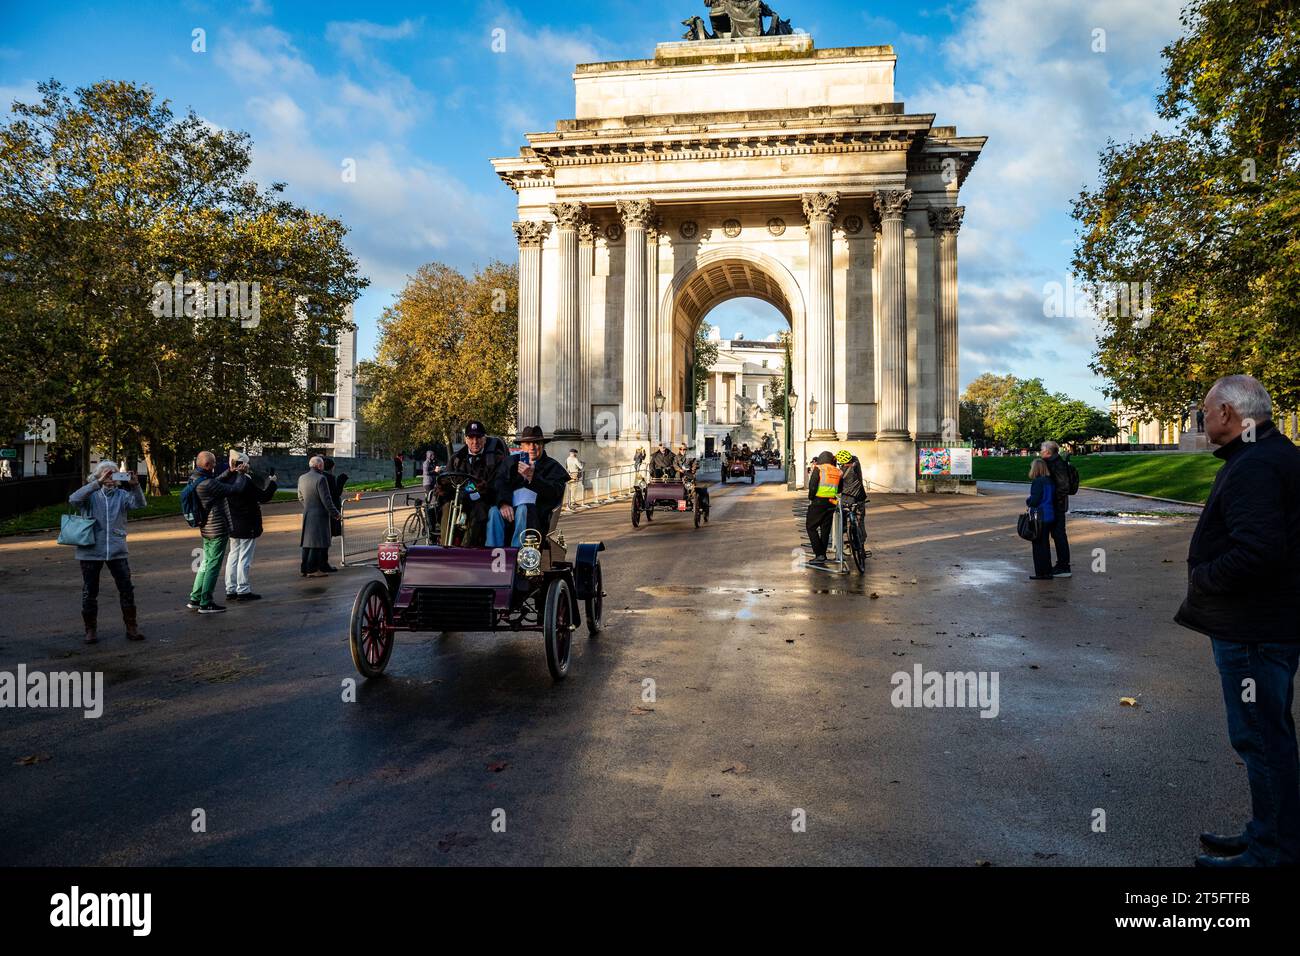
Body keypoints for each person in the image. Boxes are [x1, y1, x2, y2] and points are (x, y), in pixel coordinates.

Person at [1174, 375, 1300, 868]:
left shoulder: (1257, 464)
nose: (1202, 421)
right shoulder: (1271, 454)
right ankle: (1267, 833)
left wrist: (1204, 576)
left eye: (1205, 412)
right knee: (1268, 735)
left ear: (1228, 412)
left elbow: (1259, 552)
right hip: (1267, 623)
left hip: (1253, 628)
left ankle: (1272, 851)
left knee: (1261, 739)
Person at [69, 461, 147, 643]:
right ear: (98, 476)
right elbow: (73, 499)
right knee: (90, 591)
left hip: (116, 549)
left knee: (126, 588)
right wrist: (97, 483)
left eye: (113, 474)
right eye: (106, 474)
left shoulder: (122, 495)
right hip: (90, 549)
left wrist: (135, 486)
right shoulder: (90, 494)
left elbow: (140, 504)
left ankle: (131, 627)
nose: (110, 478)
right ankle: (90, 630)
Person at [187, 451, 249, 613]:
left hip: (206, 527)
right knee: (213, 566)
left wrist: (231, 470)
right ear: (207, 465)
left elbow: (216, 482)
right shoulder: (208, 484)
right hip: (217, 528)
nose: (215, 465)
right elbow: (236, 489)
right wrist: (241, 474)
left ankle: (195, 598)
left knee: (206, 563)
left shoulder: (195, 478)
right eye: (213, 463)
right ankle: (206, 602)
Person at [489, 425, 569, 548]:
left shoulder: (552, 466)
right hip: (509, 512)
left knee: (523, 510)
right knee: (494, 511)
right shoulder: (510, 462)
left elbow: (555, 492)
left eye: (536, 443)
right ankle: (492, 553)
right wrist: (503, 503)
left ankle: (519, 554)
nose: (532, 447)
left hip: (536, 518)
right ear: (522, 446)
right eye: (527, 443)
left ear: (542, 445)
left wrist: (533, 478)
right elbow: (499, 483)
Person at [436, 421, 505, 546]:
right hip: (459, 500)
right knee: (447, 506)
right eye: (471, 437)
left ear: (484, 439)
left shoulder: (494, 459)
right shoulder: (456, 459)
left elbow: (498, 485)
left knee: (478, 510)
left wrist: (485, 489)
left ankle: (465, 549)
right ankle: (445, 547)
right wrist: (441, 489)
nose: (475, 442)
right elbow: (445, 480)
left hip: (482, 501)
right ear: (466, 439)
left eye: (478, 437)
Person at [223, 452, 277, 602]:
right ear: (243, 465)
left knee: (233, 556)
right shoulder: (245, 481)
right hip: (248, 523)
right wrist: (272, 482)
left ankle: (231, 588)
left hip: (233, 523)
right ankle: (243, 589)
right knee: (244, 558)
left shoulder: (227, 479)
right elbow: (263, 496)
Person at [298, 455, 338, 578]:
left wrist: (308, 506)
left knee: (307, 542)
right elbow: (326, 500)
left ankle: (304, 568)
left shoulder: (302, 478)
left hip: (308, 512)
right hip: (320, 514)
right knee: (317, 542)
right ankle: (312, 569)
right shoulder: (321, 479)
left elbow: (300, 496)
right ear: (320, 465)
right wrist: (335, 513)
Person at [1039, 440, 1073, 576]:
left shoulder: (1057, 464)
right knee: (1057, 535)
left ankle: (1064, 566)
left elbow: (1063, 487)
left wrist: (1052, 501)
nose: (1040, 451)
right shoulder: (1053, 463)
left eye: (1042, 449)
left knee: (1059, 535)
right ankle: (1061, 565)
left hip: (1056, 506)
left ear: (1048, 451)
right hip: (1054, 505)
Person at [805, 451, 840, 567]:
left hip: (819, 501)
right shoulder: (837, 471)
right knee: (825, 529)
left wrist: (811, 497)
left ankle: (819, 554)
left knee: (811, 527)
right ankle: (822, 554)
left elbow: (813, 485)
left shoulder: (819, 468)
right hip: (832, 502)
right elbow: (839, 488)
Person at [1025, 459, 1056, 580]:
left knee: (1038, 545)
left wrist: (1028, 501)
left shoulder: (1038, 482)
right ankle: (1047, 571)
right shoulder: (1049, 481)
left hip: (1039, 515)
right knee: (1045, 544)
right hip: (1049, 514)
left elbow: (1034, 500)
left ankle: (1041, 572)